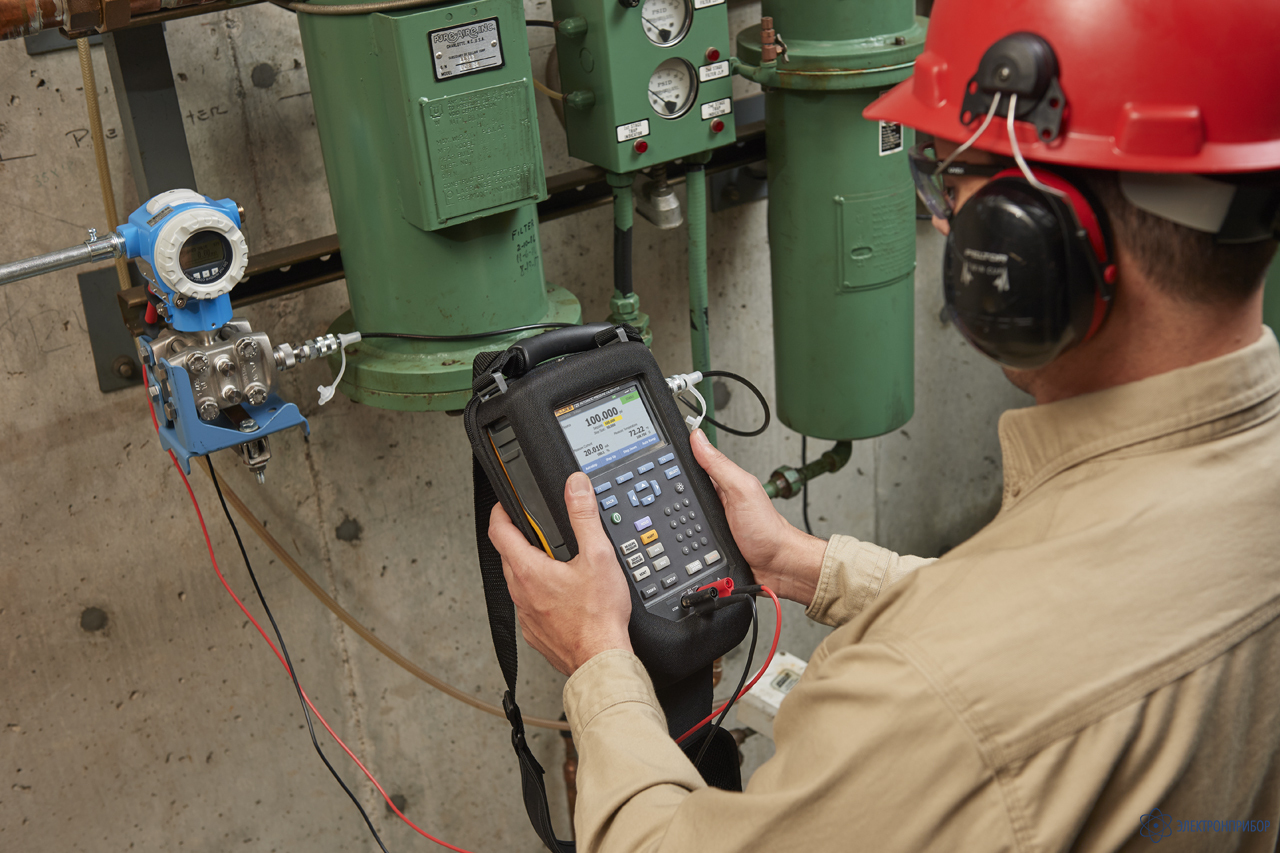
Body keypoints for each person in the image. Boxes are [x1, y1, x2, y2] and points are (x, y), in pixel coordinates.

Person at [489, 0, 1280, 848]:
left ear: (1030, 240)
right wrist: (798, 561)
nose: (941, 217)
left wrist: (598, 660)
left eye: (951, 181)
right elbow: (1092, 618)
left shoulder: (930, 695)